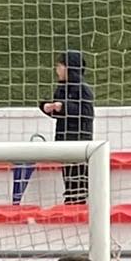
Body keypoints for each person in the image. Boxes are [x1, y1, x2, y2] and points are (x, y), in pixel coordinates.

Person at [39, 50, 94, 204]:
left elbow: (86, 114)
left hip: (79, 143)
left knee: (79, 182)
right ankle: (70, 203)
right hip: (64, 141)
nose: (57, 69)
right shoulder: (61, 89)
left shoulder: (83, 89)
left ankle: (78, 205)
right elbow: (61, 113)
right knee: (68, 180)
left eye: (60, 65)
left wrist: (63, 106)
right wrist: (46, 107)